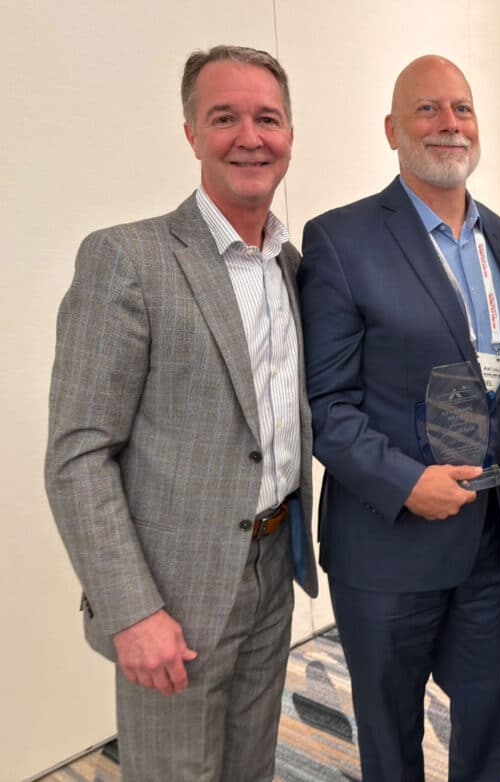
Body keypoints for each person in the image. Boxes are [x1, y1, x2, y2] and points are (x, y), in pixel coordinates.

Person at [44, 45, 316, 781]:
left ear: (291, 133)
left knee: (249, 766)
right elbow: (78, 454)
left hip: (273, 565)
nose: (249, 137)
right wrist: (131, 610)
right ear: (191, 132)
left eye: (268, 118)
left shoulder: (294, 268)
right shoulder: (128, 260)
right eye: (224, 117)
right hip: (174, 590)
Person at [297, 55, 500, 781]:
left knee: (492, 720)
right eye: (428, 109)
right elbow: (326, 406)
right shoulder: (341, 239)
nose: (449, 123)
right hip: (388, 543)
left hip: (490, 537)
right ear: (392, 129)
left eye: (461, 108)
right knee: (391, 736)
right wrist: (406, 483)